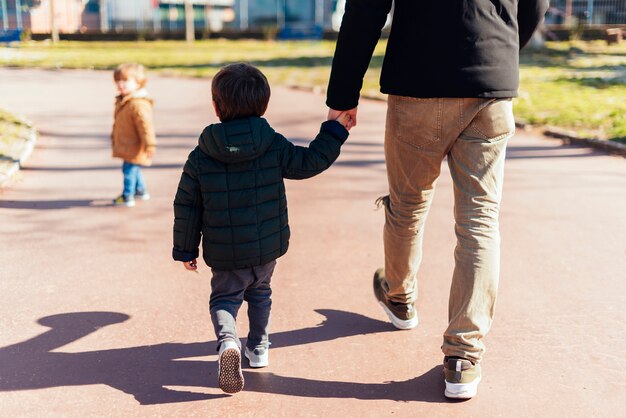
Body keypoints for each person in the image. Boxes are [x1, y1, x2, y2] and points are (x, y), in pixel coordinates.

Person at [326, 0, 548, 399]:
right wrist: (500, 52)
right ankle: (463, 357)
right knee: (479, 221)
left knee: (407, 204)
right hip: (489, 81)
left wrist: (343, 94)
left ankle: (399, 297)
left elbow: (365, 10)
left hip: (418, 82)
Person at [172, 63, 350, 394]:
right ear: (263, 104)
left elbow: (187, 204)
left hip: (225, 253)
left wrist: (185, 249)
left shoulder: (201, 155)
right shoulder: (272, 144)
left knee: (225, 299)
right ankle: (258, 347)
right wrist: (335, 129)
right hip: (267, 248)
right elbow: (309, 161)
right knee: (261, 292)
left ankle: (228, 343)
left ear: (216, 106)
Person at [111, 63, 156, 207]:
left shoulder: (137, 104)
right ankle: (141, 190)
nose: (120, 84)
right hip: (128, 144)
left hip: (135, 146)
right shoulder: (124, 100)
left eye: (125, 81)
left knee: (128, 170)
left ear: (138, 83)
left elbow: (146, 127)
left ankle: (127, 196)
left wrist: (150, 144)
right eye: (118, 81)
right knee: (134, 169)